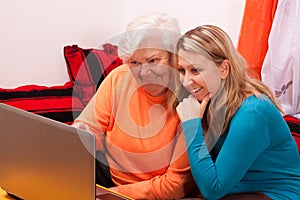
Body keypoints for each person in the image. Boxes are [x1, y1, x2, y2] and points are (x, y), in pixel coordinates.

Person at [73, 12, 198, 199]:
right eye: (134, 62)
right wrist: (80, 136)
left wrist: (105, 195)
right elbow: (89, 131)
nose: (143, 72)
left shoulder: (191, 98)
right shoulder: (119, 77)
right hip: (109, 180)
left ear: (174, 55)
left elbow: (174, 186)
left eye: (153, 60)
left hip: (156, 195)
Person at [171, 24, 300, 200]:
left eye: (195, 70)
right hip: (236, 190)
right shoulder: (205, 99)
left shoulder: (253, 111)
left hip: (276, 194)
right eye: (181, 70)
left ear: (224, 69)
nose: (186, 81)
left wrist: (192, 126)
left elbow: (214, 189)